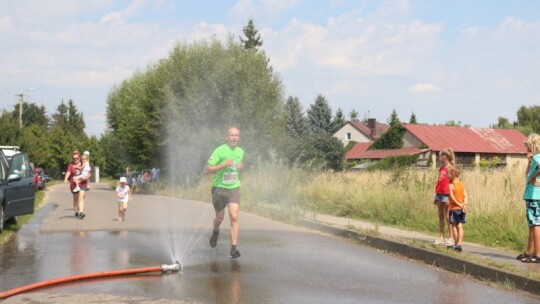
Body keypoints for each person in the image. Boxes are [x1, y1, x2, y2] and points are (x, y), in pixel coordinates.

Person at [206, 127, 244, 259]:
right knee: (220, 217)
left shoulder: (240, 152)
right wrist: (223, 164)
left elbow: (236, 167)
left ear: (239, 138)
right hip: (219, 188)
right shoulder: (220, 150)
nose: (234, 138)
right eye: (232, 135)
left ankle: (233, 249)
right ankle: (215, 231)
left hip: (233, 188)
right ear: (227, 137)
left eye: (236, 136)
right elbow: (208, 169)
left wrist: (240, 167)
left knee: (234, 216)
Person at [519, 133, 540, 263]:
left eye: (527, 146)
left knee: (535, 224)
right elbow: (527, 174)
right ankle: (529, 252)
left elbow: (531, 176)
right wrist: (529, 162)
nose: (526, 148)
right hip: (534, 196)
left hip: (534, 196)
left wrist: (533, 178)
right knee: (532, 224)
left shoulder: (538, 158)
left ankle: (538, 254)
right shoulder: (535, 159)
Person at [433, 148, 455, 246]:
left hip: (447, 194)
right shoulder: (441, 168)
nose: (439, 158)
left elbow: (453, 183)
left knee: (447, 216)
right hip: (439, 194)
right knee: (440, 215)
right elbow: (440, 182)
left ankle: (451, 238)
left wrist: (450, 196)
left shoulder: (451, 168)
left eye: (440, 156)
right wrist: (436, 195)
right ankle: (441, 237)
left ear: (444, 157)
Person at [63, 150, 90, 219]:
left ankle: (81, 212)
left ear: (79, 157)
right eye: (74, 158)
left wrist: (86, 178)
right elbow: (68, 172)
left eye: (77, 158)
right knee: (76, 199)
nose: (75, 160)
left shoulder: (83, 163)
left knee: (81, 197)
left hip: (83, 183)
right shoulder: (71, 165)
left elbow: (89, 173)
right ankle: (76, 212)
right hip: (74, 185)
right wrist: (66, 179)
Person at [446, 165, 468, 252]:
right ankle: (460, 244)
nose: (447, 176)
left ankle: (456, 244)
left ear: (453, 174)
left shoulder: (451, 185)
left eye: (448, 174)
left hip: (454, 208)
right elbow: (465, 195)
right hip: (461, 209)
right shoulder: (462, 184)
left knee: (454, 226)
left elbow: (452, 197)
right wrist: (464, 204)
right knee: (460, 226)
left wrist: (458, 203)